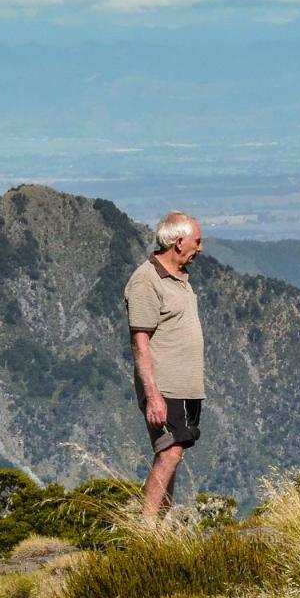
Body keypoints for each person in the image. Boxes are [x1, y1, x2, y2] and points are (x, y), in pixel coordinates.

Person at [124, 211, 206, 520]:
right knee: (169, 452)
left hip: (186, 386)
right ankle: (145, 529)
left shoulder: (180, 277)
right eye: (197, 242)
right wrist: (153, 395)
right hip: (165, 385)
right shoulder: (146, 281)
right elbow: (140, 343)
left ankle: (160, 528)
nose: (200, 248)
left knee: (174, 452)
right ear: (178, 241)